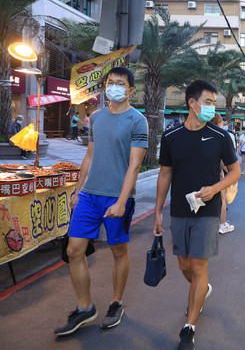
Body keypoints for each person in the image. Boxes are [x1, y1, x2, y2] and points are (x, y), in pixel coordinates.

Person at [55, 66, 148, 336]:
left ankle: (116, 303)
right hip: (89, 195)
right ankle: (85, 308)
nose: (113, 87)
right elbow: (89, 156)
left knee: (118, 251)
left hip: (117, 197)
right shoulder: (96, 117)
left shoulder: (137, 120)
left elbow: (134, 165)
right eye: (110, 82)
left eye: (120, 83)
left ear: (131, 90)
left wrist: (121, 202)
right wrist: (76, 190)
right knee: (74, 251)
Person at [153, 80, 240, 350]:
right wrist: (157, 211)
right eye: (209, 101)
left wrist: (214, 189)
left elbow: (235, 171)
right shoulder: (171, 137)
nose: (213, 107)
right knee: (184, 266)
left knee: (199, 268)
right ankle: (202, 289)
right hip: (179, 210)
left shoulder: (220, 136)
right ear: (192, 103)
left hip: (208, 212)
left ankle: (189, 326)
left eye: (215, 102)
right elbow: (165, 173)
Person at [210, 114, 235, 234]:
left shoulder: (201, 134)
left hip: (202, 175)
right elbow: (223, 162)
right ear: (219, 123)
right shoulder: (221, 136)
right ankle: (223, 224)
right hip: (217, 175)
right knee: (222, 200)